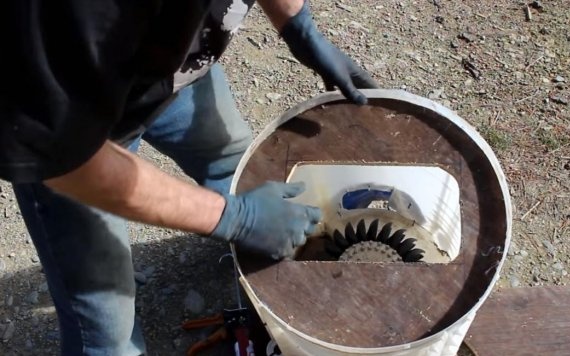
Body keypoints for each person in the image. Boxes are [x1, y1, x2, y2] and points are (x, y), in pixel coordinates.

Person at [0, 0, 377, 354]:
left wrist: (298, 26)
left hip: (171, 74)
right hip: (73, 137)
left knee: (238, 169)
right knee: (106, 331)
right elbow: (65, 162)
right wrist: (236, 218)